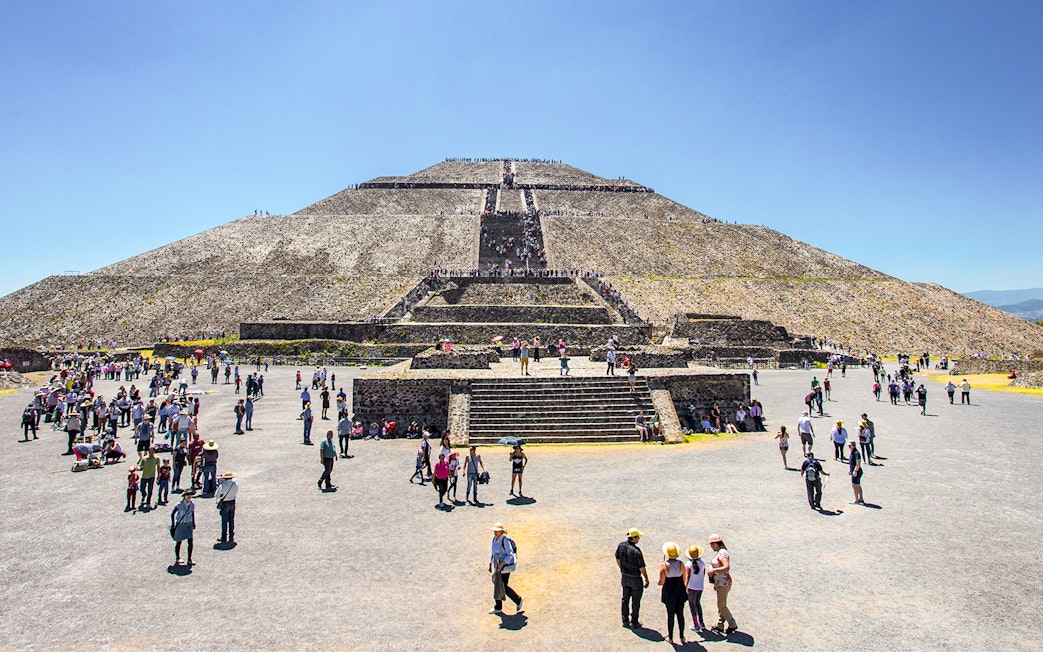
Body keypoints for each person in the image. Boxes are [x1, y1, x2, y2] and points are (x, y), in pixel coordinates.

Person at [616, 527, 649, 628]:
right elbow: (642, 568)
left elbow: (617, 558)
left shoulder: (621, 546)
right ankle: (634, 621)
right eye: (638, 537)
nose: (638, 539)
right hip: (635, 578)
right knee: (636, 600)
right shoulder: (636, 551)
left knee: (625, 598)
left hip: (625, 577)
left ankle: (625, 620)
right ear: (633, 538)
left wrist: (622, 569)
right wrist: (646, 579)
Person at [658, 541, 689, 645]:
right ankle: (682, 636)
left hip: (669, 592)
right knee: (681, 614)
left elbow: (661, 582)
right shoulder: (681, 564)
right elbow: (684, 578)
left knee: (670, 615)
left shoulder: (664, 566)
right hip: (679, 591)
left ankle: (671, 637)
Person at [488, 522, 522, 615]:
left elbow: (510, 555)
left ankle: (518, 600)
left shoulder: (505, 541)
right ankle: (498, 606)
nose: (495, 532)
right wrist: (490, 563)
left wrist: (502, 563)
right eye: (494, 530)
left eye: (497, 531)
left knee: (502, 586)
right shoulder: (494, 539)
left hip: (504, 568)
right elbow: (493, 552)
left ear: (501, 532)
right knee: (497, 585)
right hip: (497, 566)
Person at [706, 535, 737, 635]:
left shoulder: (722, 553)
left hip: (724, 583)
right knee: (721, 605)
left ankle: (732, 623)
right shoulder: (721, 552)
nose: (711, 546)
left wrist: (713, 570)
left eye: (712, 544)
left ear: (716, 544)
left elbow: (726, 567)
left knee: (721, 605)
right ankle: (720, 625)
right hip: (721, 582)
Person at [170, 491, 196, 566]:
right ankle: (177, 558)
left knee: (190, 541)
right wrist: (173, 524)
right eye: (188, 495)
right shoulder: (179, 505)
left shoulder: (192, 504)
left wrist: (194, 523)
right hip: (180, 524)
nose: (189, 496)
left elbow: (192, 513)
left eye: (190, 495)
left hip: (189, 523)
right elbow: (172, 514)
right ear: (184, 496)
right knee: (179, 541)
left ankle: (189, 559)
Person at [685, 545, 706, 633]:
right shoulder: (702, 564)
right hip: (700, 587)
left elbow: (687, 576)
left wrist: (685, 586)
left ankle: (696, 624)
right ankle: (701, 623)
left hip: (691, 587)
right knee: (697, 603)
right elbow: (703, 574)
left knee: (692, 605)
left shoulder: (688, 564)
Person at [214, 471, 237, 543]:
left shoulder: (223, 485)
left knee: (224, 521)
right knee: (231, 520)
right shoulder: (235, 484)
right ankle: (231, 536)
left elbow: (217, 495)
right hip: (232, 501)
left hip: (225, 503)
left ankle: (224, 537)